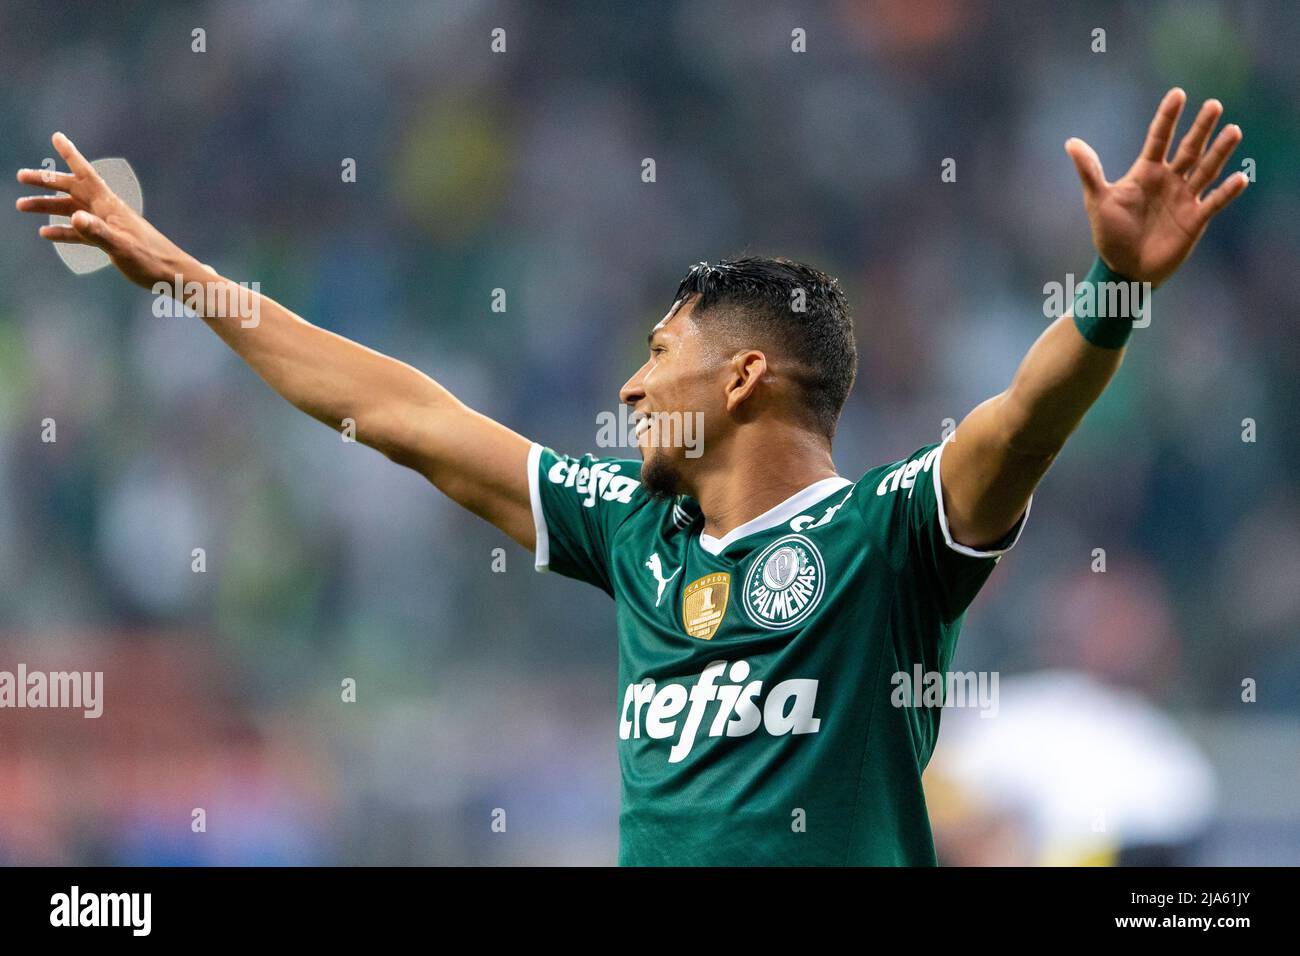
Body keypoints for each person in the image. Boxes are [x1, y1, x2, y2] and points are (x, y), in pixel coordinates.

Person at [15, 88, 1247, 865]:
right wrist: (181, 271)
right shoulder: (630, 529)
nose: (628, 387)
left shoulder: (890, 537)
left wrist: (1115, 288)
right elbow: (393, 409)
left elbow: (1025, 419)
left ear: (746, 375)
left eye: (659, 353)